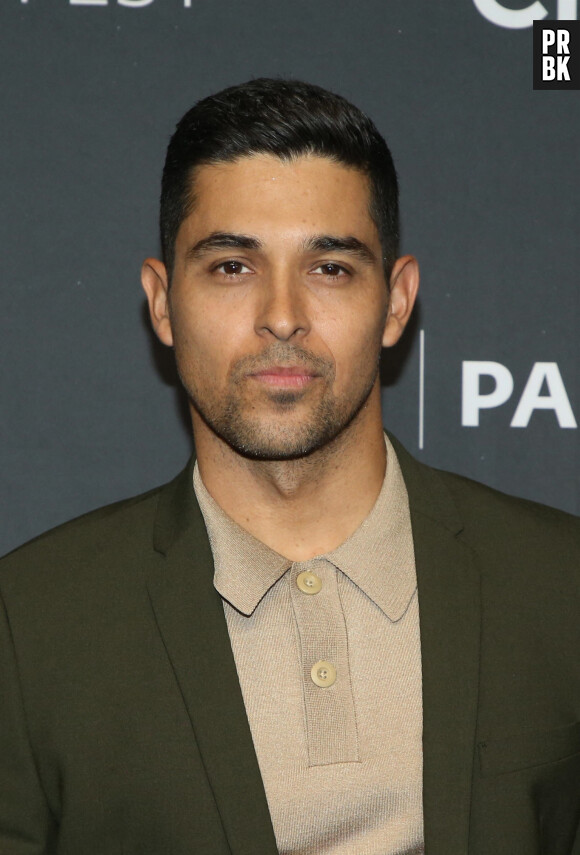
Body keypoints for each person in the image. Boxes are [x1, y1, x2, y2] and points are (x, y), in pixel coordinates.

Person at [0, 79, 578, 855]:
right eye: (232, 266)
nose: (281, 314)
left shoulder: (558, 584)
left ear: (398, 300)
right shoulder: (30, 625)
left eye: (330, 267)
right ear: (163, 302)